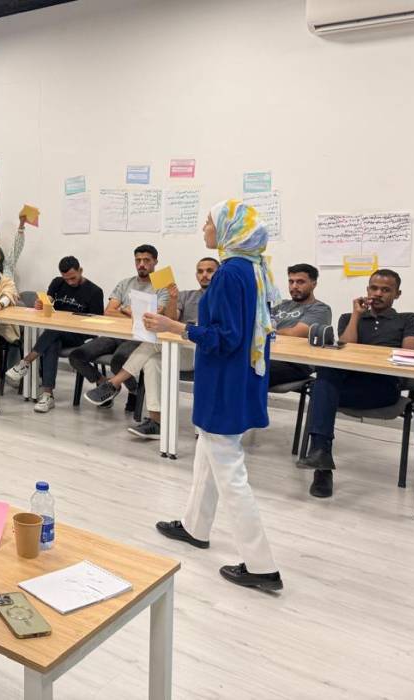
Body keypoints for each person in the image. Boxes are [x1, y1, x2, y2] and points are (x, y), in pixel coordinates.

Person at [149, 200, 283, 591]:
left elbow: (225, 338)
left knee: (229, 471)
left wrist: (175, 326)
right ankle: (195, 526)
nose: (204, 228)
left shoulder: (229, 273)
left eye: (209, 222)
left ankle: (262, 565)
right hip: (239, 378)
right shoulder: (253, 268)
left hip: (224, 382)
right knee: (207, 455)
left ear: (229, 229)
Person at [296, 270, 414, 498]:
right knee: (324, 374)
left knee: (321, 388)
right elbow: (343, 351)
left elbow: (410, 353)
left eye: (386, 290)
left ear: (397, 294)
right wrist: (356, 315)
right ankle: (322, 462)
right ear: (367, 290)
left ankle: (321, 458)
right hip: (350, 385)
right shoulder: (349, 318)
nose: (378, 293)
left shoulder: (408, 319)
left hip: (383, 389)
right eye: (374, 288)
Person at [86, 258, 219, 439]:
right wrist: (173, 299)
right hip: (181, 350)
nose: (204, 275)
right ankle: (156, 422)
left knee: (153, 342)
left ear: (219, 273)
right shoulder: (186, 295)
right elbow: (171, 321)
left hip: (204, 354)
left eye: (209, 271)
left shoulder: (222, 298)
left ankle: (114, 383)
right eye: (200, 271)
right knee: (152, 361)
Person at [69, 244, 168, 409]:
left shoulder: (162, 285)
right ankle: (105, 385)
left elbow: (156, 316)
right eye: (138, 260)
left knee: (118, 361)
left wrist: (126, 310)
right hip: (114, 334)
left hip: (139, 337)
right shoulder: (125, 283)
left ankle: (134, 392)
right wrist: (132, 312)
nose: (141, 264)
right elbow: (108, 312)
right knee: (76, 356)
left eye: (146, 260)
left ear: (155, 262)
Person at [5, 256, 104, 412]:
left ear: (80, 271)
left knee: (54, 331)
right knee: (52, 342)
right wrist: (41, 304)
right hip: (56, 333)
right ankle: (47, 395)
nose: (69, 282)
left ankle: (25, 362)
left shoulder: (94, 291)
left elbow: (97, 322)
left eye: (73, 278)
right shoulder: (58, 283)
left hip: (80, 334)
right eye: (66, 279)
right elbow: (48, 300)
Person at [268, 263, 332, 386]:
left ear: (314, 284)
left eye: (300, 282)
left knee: (250, 371)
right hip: (273, 356)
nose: (294, 286)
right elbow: (258, 324)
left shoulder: (320, 309)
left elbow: (295, 334)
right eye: (291, 282)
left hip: (296, 363)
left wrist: (268, 331)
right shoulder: (282, 305)